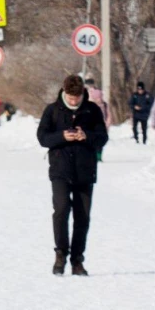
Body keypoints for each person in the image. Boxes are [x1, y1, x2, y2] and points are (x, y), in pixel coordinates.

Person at [37, 75, 109, 276]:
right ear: (64, 92)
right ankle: (60, 253)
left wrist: (87, 136)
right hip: (60, 170)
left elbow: (102, 137)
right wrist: (62, 137)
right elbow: (42, 137)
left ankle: (77, 260)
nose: (73, 101)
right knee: (61, 210)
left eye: (77, 97)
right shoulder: (52, 110)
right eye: (70, 97)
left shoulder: (92, 110)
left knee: (82, 216)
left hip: (85, 170)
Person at [84, 77, 109, 161]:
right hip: (93, 126)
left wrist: (107, 124)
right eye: (97, 97)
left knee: (101, 140)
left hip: (103, 124)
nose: (98, 99)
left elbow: (109, 115)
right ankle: (93, 154)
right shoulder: (91, 106)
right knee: (93, 140)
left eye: (99, 97)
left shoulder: (104, 105)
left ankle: (99, 155)